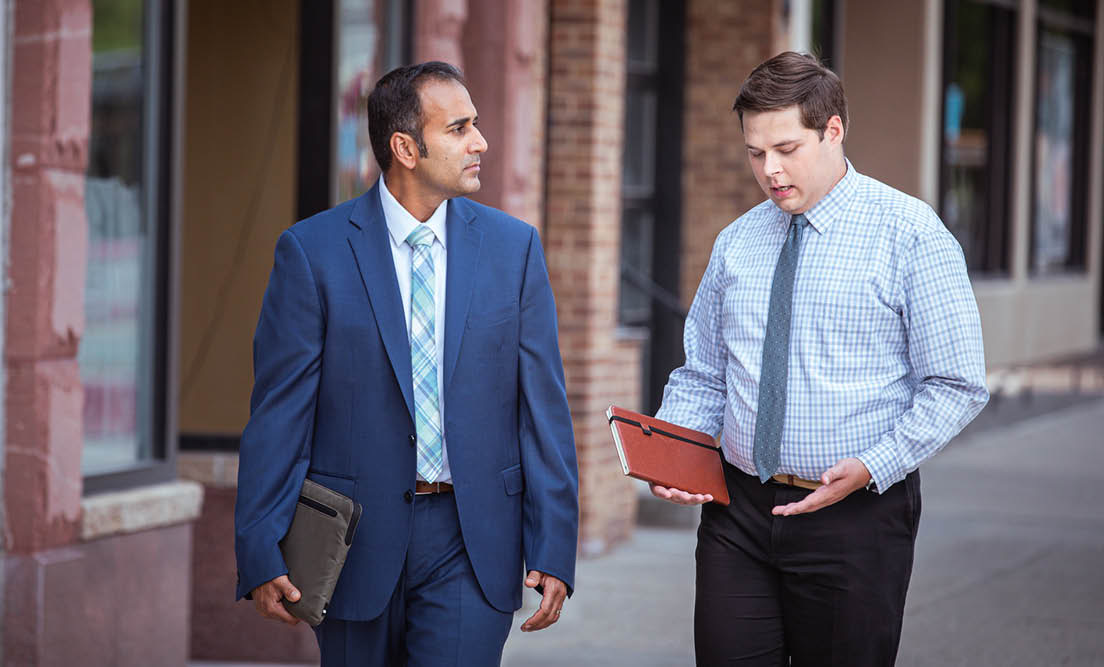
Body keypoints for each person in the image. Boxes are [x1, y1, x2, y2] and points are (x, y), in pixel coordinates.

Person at [234, 61, 579, 666]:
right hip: (349, 545)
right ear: (405, 147)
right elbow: (278, 415)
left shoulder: (513, 249)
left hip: (472, 541)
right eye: (459, 129)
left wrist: (554, 544)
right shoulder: (311, 253)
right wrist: (260, 546)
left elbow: (541, 410)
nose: (480, 142)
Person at [651, 51, 988, 666]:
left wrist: (871, 465)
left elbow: (956, 384)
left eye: (786, 149)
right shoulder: (737, 242)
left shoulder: (911, 234)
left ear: (834, 130)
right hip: (738, 513)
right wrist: (677, 450)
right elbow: (703, 372)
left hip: (857, 518)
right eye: (755, 153)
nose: (770, 171)